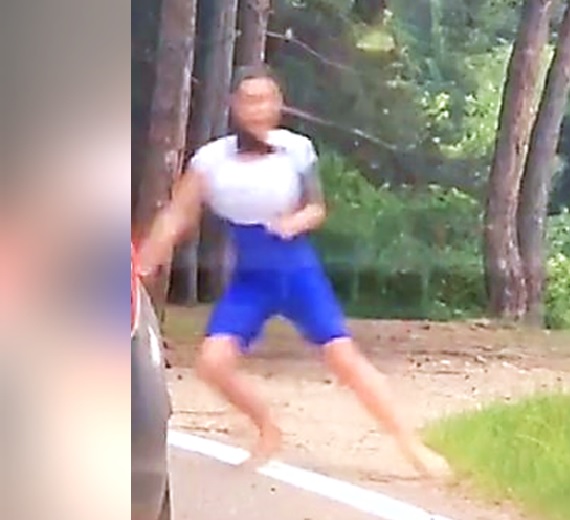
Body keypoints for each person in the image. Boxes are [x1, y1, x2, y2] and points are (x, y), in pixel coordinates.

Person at [135, 65, 451, 477]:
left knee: (345, 360)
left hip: (296, 271)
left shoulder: (296, 149)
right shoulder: (211, 160)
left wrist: (294, 222)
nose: (257, 108)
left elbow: (317, 207)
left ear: (278, 105)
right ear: (234, 106)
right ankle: (267, 426)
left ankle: (414, 448)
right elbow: (177, 215)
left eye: (265, 99)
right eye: (248, 99)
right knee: (212, 363)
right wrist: (145, 261)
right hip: (252, 279)